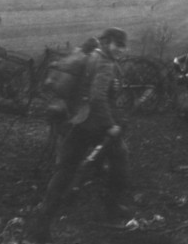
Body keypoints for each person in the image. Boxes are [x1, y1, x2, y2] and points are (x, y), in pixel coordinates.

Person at [30, 28, 130, 243]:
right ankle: (112, 209)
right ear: (107, 42)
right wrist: (111, 125)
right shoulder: (105, 63)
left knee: (64, 172)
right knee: (120, 159)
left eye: (123, 45)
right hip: (97, 125)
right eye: (118, 45)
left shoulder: (92, 55)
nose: (121, 50)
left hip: (78, 122)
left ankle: (41, 225)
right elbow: (97, 98)